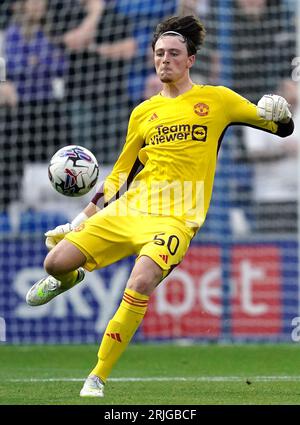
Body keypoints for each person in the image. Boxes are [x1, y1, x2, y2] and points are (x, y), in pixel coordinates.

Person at [25, 15, 294, 397]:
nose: (164, 59)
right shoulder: (143, 113)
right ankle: (68, 279)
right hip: (130, 210)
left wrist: (281, 116)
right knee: (55, 262)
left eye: (173, 53)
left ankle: (97, 375)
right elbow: (120, 175)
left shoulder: (217, 100)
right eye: (159, 53)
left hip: (177, 220)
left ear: (190, 60)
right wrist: (80, 218)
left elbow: (279, 129)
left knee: (140, 282)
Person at [0, 0, 68, 210]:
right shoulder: (8, 36)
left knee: (53, 161)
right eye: (33, 1)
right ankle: (11, 206)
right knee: (13, 159)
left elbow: (60, 67)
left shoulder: (51, 35)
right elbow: (5, 65)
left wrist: (34, 63)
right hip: (18, 111)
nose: (39, 5)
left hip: (47, 109)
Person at [244, 78, 299, 234]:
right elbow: (253, 154)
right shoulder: (261, 115)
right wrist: (283, 151)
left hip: (297, 196)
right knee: (275, 246)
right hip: (272, 197)